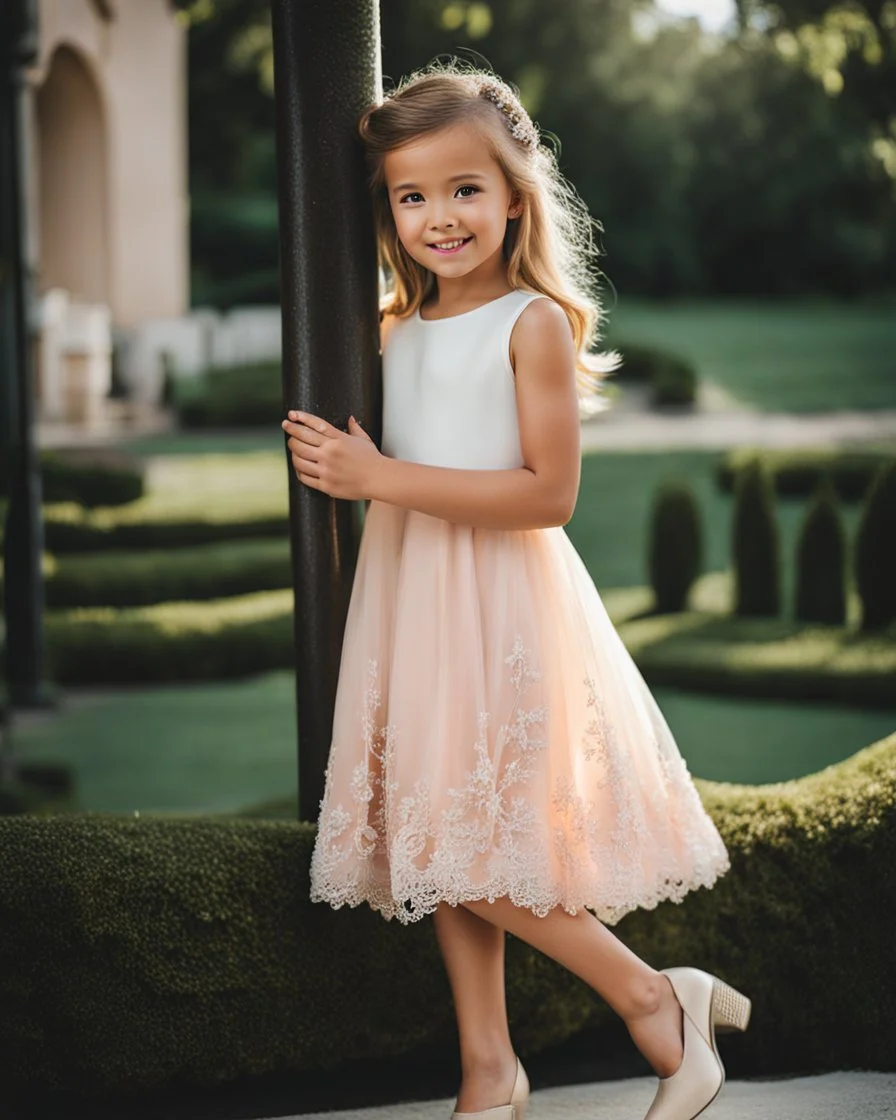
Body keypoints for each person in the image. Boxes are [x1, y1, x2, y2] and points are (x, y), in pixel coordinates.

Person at [280, 60, 750, 1120]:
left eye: (462, 190)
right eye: (411, 196)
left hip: (494, 608)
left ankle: (653, 997)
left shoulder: (530, 323)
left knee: (455, 839)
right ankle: (488, 1069)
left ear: (511, 195)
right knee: (443, 833)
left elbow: (549, 494)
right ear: (387, 209)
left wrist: (376, 478)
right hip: (408, 605)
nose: (438, 217)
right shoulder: (391, 331)